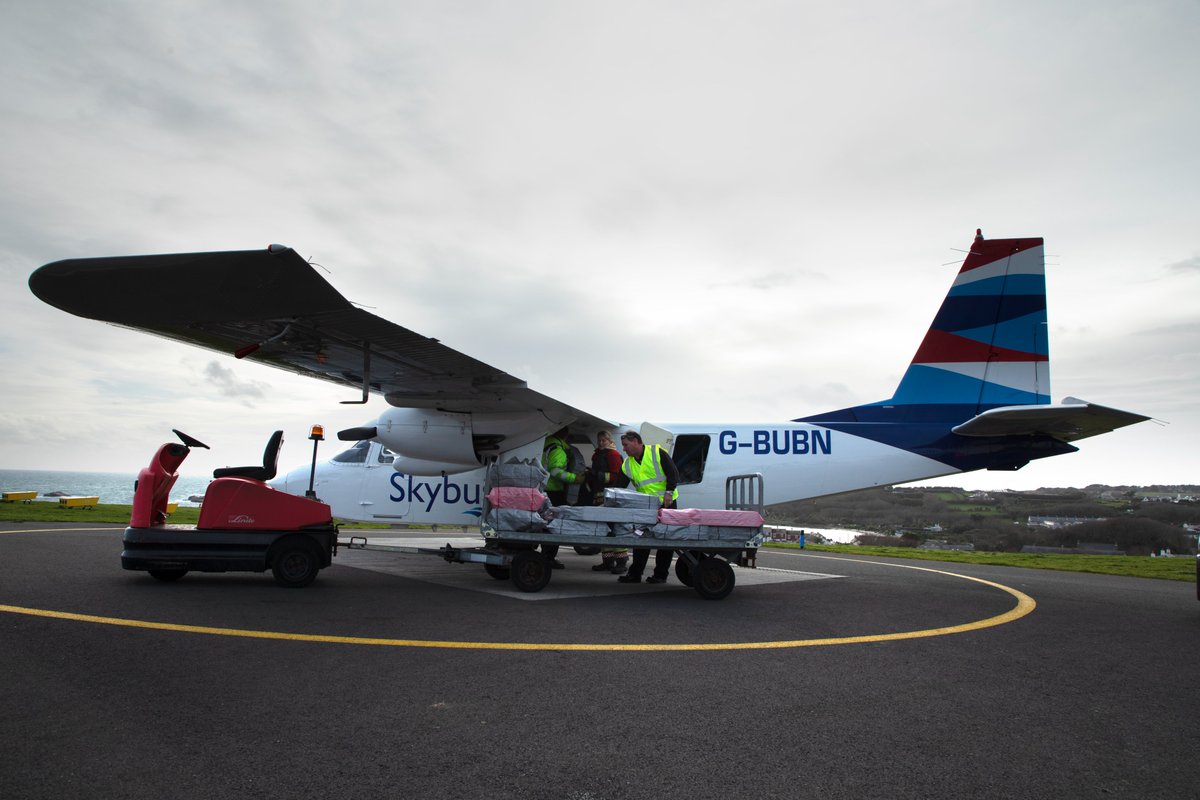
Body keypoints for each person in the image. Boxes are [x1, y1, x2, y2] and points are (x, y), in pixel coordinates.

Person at [615, 430, 680, 585]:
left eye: (625, 445)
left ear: (637, 441)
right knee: (640, 538)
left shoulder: (656, 452)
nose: (623, 449)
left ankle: (660, 575)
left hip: (667, 504)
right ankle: (635, 574)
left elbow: (673, 473)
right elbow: (618, 487)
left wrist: (669, 493)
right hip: (645, 507)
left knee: (665, 540)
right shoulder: (627, 464)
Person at [580, 430, 629, 574]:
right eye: (599, 440)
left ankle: (621, 562)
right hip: (598, 496)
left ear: (609, 441)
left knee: (614, 529)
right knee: (603, 529)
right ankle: (607, 561)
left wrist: (597, 475)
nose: (601, 443)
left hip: (610, 498)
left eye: (604, 440)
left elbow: (616, 476)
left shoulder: (613, 455)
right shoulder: (597, 455)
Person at [541, 427, 583, 569]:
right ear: (566, 434)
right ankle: (548, 557)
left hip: (543, 490)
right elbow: (555, 470)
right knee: (555, 525)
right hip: (553, 491)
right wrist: (574, 478)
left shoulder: (544, 445)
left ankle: (546, 555)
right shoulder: (558, 450)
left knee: (545, 523)